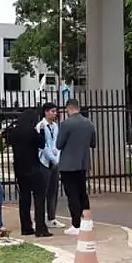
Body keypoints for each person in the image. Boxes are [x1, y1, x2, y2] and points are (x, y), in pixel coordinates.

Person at [6, 108, 50, 237]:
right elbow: (41, 144)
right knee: (39, 197)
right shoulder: (31, 131)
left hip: (19, 168)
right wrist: (42, 132)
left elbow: (8, 141)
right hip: (33, 167)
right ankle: (41, 228)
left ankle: (26, 227)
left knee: (24, 197)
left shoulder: (15, 131)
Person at [56, 98, 96, 235]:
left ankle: (76, 224)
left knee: (72, 194)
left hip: (68, 165)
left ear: (68, 108)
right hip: (83, 163)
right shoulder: (89, 123)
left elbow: (59, 144)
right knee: (82, 193)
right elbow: (93, 143)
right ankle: (87, 221)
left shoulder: (65, 124)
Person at [34, 102, 64, 228]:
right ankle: (39, 219)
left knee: (53, 190)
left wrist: (57, 156)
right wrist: (52, 158)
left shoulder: (55, 126)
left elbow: (56, 142)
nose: (55, 114)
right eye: (52, 111)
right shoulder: (40, 126)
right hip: (44, 162)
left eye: (55, 111)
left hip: (55, 161)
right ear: (46, 112)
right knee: (42, 191)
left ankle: (52, 218)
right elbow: (43, 146)